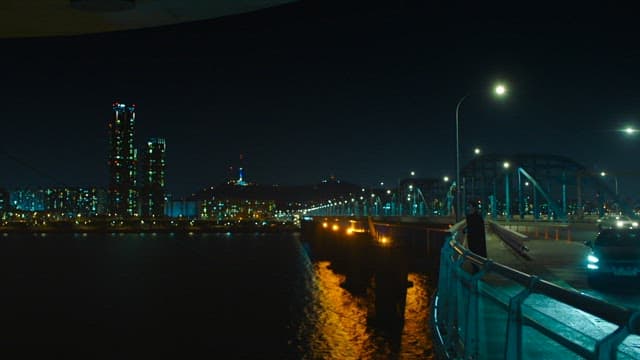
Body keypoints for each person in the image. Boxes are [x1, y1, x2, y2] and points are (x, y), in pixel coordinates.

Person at [465, 202, 487, 274]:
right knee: (473, 254)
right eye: (469, 206)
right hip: (472, 239)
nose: (469, 208)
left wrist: (468, 230)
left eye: (470, 206)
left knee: (475, 254)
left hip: (476, 239)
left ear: (474, 208)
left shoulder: (477, 217)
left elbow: (479, 229)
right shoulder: (471, 216)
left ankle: (476, 270)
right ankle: (475, 269)